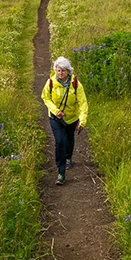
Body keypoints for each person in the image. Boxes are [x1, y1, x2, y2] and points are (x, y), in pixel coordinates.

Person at [40, 56, 88, 185]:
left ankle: (68, 157)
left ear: (68, 71)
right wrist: (56, 111)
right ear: (55, 70)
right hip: (55, 118)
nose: (60, 73)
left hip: (71, 117)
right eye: (58, 70)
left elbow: (83, 103)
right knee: (60, 141)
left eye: (63, 71)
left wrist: (82, 121)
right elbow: (45, 98)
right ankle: (61, 172)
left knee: (69, 139)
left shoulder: (75, 84)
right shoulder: (50, 82)